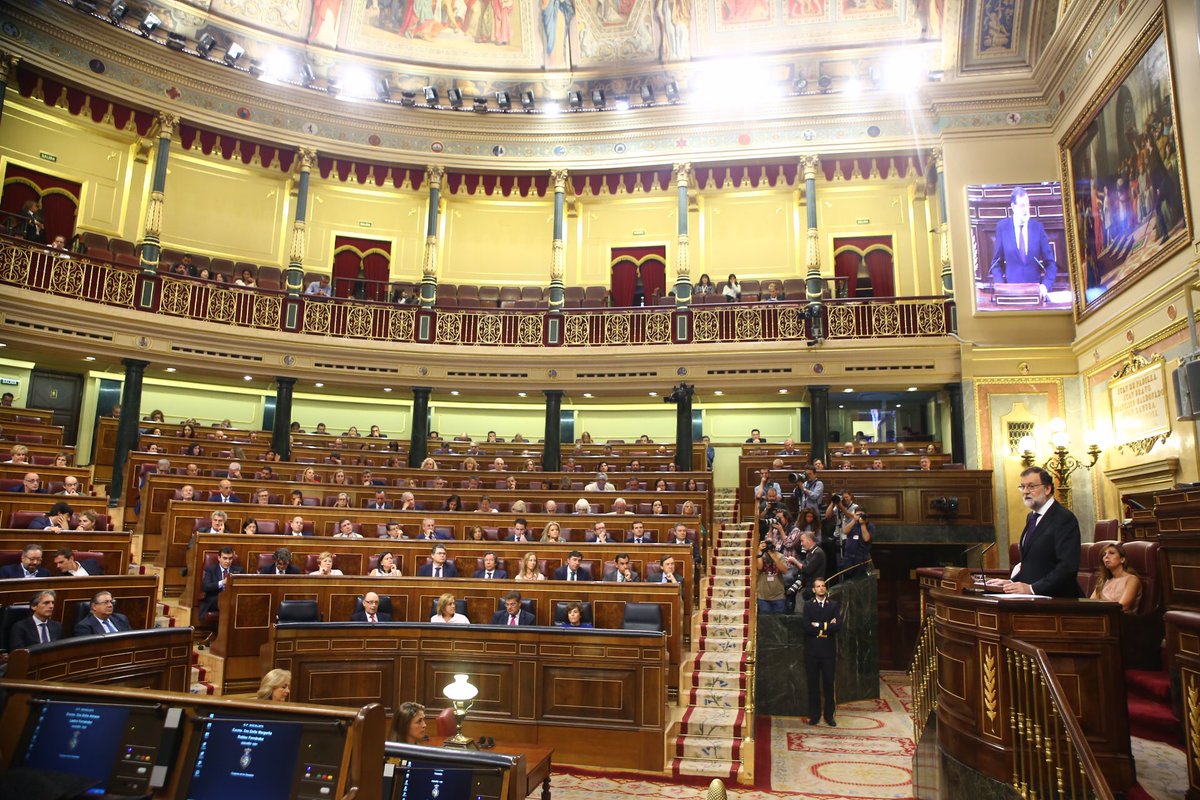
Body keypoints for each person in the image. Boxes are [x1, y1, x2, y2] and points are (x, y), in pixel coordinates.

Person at [986, 467, 1082, 597]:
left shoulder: (1064, 518)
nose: (1025, 491)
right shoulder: (1032, 517)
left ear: (1047, 489)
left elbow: (1067, 567)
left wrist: (1033, 589)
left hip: (1058, 600)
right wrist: (1011, 582)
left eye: (1031, 487)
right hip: (1033, 599)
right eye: (1022, 487)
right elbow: (1032, 564)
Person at [989, 186, 1058, 292]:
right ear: (1013, 207)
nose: (1026, 209)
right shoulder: (1003, 228)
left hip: (1034, 291)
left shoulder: (1037, 228)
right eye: (1022, 205)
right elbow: (996, 263)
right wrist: (1001, 286)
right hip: (1011, 292)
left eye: (1027, 204)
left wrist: (1045, 286)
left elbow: (1050, 263)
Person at [803, 578, 841, 726]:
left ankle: (829, 716)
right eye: (818, 586)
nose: (821, 588)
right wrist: (827, 626)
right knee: (813, 685)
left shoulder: (833, 605)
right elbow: (807, 627)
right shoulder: (808, 605)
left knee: (828, 684)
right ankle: (815, 715)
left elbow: (837, 626)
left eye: (823, 586)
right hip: (812, 651)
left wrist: (818, 625)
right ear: (813, 590)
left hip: (828, 651)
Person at [1090, 542, 1142, 613]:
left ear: (1122, 559)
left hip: (1121, 618)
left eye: (1111, 553)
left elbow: (1122, 606)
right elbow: (1091, 604)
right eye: (1104, 554)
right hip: (1101, 617)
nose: (1106, 556)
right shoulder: (1103, 580)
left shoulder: (1132, 580)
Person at [201, 546, 242, 616]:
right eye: (225, 558)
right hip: (215, 599)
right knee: (224, 601)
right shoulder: (211, 570)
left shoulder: (239, 570)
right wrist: (222, 582)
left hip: (233, 599)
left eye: (230, 558)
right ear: (219, 558)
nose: (227, 561)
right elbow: (205, 587)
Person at [756, 537, 788, 614]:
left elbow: (784, 571)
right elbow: (759, 567)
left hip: (778, 596)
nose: (769, 546)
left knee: (779, 620)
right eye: (767, 544)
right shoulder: (760, 556)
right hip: (763, 597)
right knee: (765, 620)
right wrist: (759, 552)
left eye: (770, 544)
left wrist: (774, 557)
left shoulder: (780, 556)